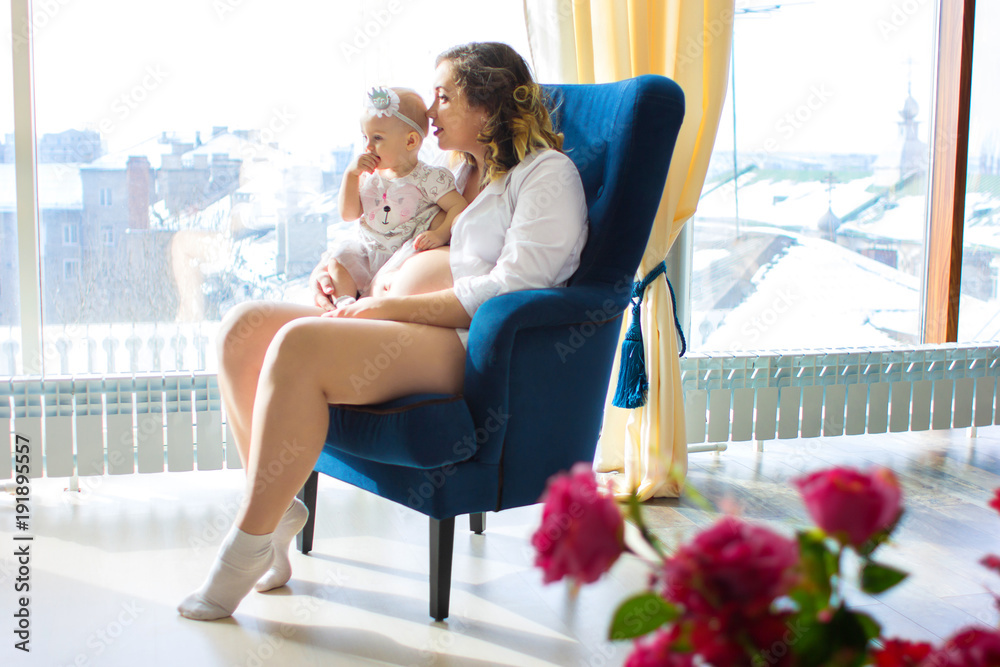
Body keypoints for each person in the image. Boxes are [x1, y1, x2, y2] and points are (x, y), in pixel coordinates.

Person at [178, 41, 588, 621]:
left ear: (488, 101)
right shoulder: (457, 173)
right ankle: (278, 512)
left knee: (297, 345)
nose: (430, 111)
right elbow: (387, 235)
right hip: (387, 314)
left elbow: (515, 289)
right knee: (241, 330)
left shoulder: (547, 174)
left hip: (464, 349)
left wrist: (389, 311)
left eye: (444, 97)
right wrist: (338, 269)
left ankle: (242, 552)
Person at [322, 87, 467, 310]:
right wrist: (350, 175)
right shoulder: (368, 177)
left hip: (403, 254)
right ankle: (344, 303)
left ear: (410, 142)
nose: (368, 147)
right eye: (365, 137)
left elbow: (459, 206)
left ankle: (361, 309)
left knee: (395, 280)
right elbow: (349, 214)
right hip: (368, 251)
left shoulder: (429, 178)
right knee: (340, 256)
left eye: (377, 138)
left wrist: (440, 233)